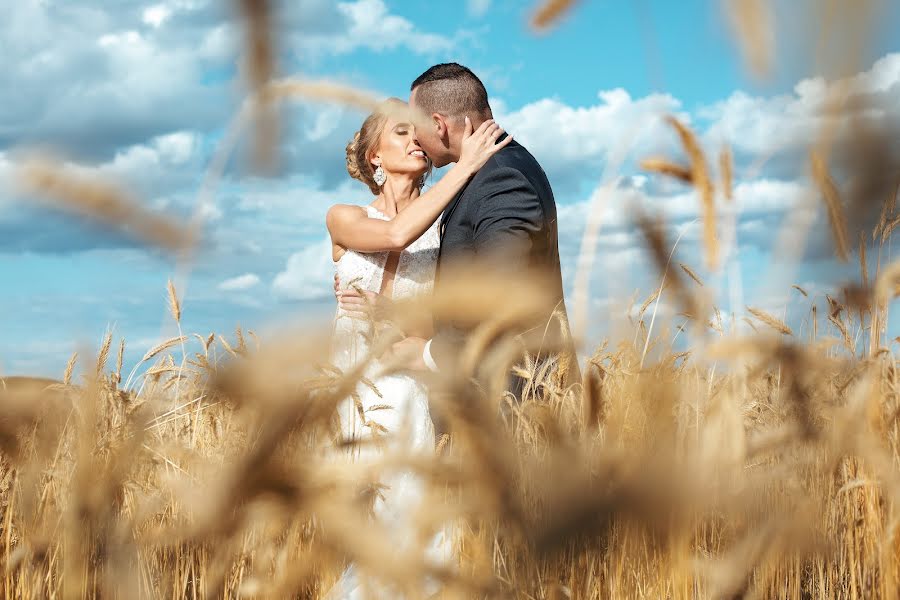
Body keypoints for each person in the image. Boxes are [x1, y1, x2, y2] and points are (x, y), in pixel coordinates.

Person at [325, 96, 511, 599]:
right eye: (400, 134)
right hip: (355, 383)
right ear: (374, 159)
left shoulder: (448, 230)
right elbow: (397, 236)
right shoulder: (344, 216)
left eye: (418, 134)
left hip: (408, 379)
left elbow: (450, 315)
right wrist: (467, 164)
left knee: (413, 519)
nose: (416, 141)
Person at [344, 64, 574, 397]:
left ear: (437, 125)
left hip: (507, 397)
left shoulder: (501, 177)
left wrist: (426, 355)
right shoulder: (491, 172)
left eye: (416, 128)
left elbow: (496, 292)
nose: (416, 141)